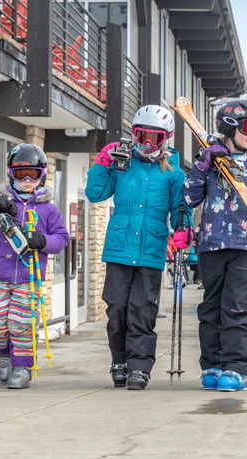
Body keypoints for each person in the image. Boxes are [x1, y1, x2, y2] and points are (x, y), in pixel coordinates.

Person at [86, 105, 191, 391]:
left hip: (151, 250)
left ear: (165, 140)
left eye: (154, 138)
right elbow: (95, 193)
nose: (146, 143)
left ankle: (140, 367)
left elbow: (180, 208)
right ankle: (119, 361)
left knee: (142, 311)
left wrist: (183, 229)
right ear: (133, 134)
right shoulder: (121, 162)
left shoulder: (173, 173)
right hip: (119, 248)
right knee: (117, 308)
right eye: (141, 135)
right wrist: (102, 162)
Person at [184, 99, 247, 392]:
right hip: (213, 243)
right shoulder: (211, 158)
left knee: (238, 308)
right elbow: (189, 197)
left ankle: (236, 367)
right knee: (211, 307)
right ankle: (212, 364)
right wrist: (202, 166)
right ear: (229, 127)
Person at [0, 143, 69, 389]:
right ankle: (4, 353)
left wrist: (42, 241)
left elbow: (61, 238)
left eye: (34, 174)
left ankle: (23, 366)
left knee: (21, 322)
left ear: (42, 175)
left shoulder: (47, 209)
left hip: (29, 275)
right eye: (21, 174)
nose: (27, 180)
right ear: (11, 173)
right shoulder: (0, 201)